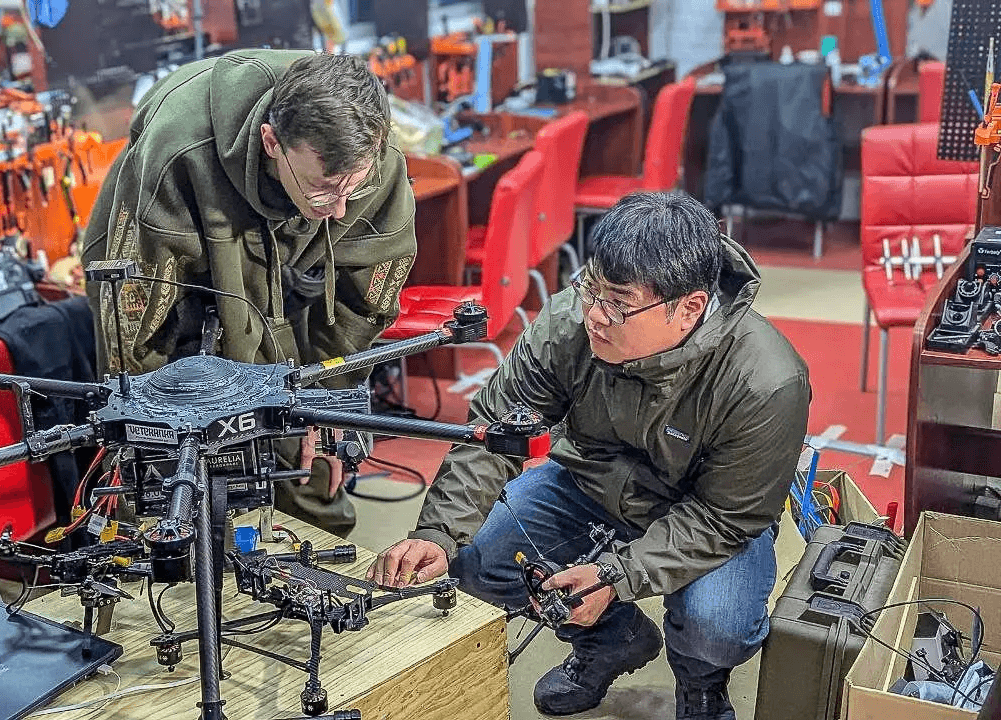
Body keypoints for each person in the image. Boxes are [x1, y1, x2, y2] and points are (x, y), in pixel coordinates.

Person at [366, 191, 811, 719]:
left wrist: (615, 576)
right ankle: (611, 640)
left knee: (716, 627)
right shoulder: (568, 326)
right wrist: (437, 531)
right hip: (588, 485)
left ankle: (702, 685)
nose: (595, 316)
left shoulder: (765, 381)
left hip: (707, 515)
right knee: (478, 561)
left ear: (689, 307)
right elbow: (498, 431)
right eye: (589, 289)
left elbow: (725, 518)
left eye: (618, 305)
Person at [81, 50, 417, 537]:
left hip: (294, 289)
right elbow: (133, 318)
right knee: (174, 485)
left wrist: (331, 399)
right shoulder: (178, 148)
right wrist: (147, 427)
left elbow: (364, 302)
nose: (341, 210)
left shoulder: (370, 159)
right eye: (323, 189)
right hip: (173, 289)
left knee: (311, 463)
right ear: (271, 142)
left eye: (353, 188)